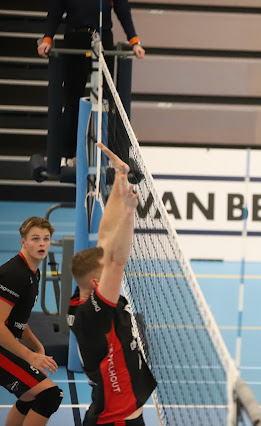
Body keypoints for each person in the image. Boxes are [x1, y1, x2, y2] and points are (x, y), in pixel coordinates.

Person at [68, 142, 157, 425]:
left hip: (120, 413)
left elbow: (106, 234)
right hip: (115, 419)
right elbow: (117, 261)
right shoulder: (92, 315)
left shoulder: (84, 295)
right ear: (97, 282)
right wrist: (130, 212)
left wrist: (121, 176)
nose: (107, 263)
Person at [37, 0, 145, 168]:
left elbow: (123, 10)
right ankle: (68, 155)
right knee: (72, 101)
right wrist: (47, 39)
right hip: (75, 39)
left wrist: (134, 41)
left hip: (103, 39)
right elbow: (55, 11)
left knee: (107, 101)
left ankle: (108, 156)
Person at [0, 217, 63, 425]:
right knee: (49, 395)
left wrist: (37, 347)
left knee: (31, 395)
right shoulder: (14, 274)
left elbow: (17, 319)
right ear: (24, 242)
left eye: (46, 239)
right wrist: (29, 356)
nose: (42, 244)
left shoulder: (32, 272)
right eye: (35, 239)